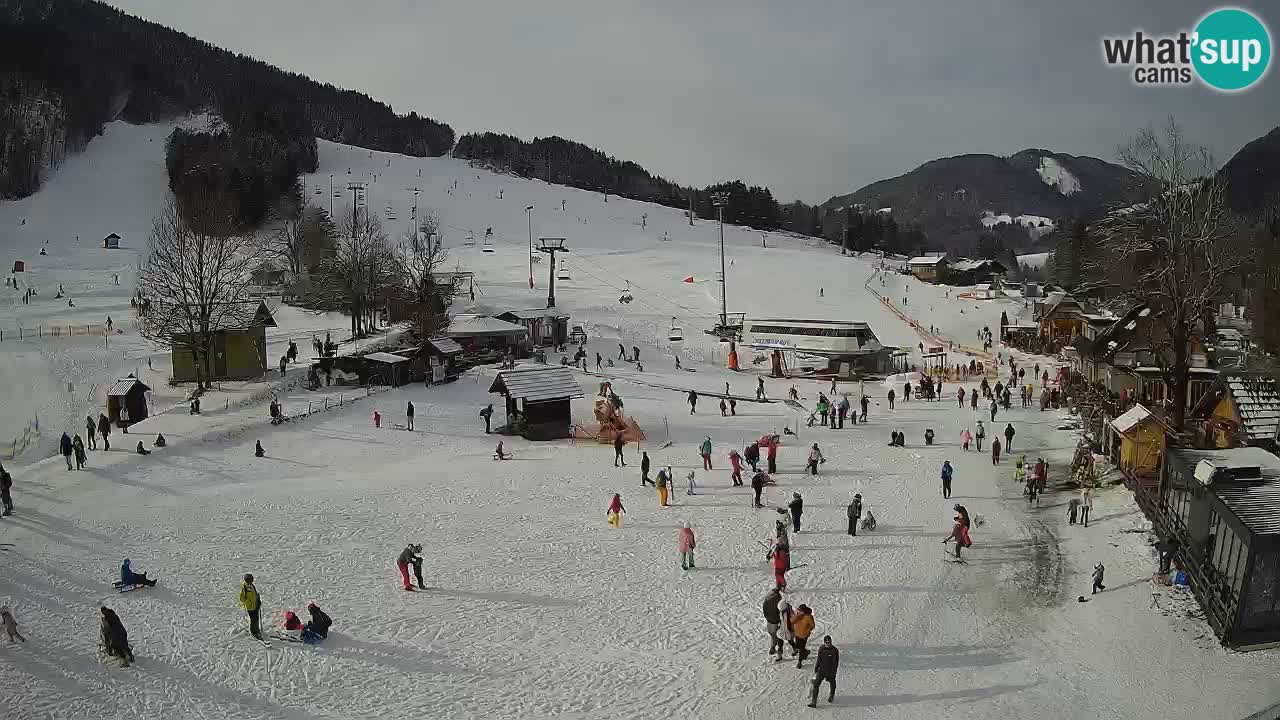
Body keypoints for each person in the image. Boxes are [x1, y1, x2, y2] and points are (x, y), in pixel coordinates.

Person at [808, 636, 839, 707]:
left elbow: (836, 661)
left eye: (829, 642)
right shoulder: (821, 649)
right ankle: (814, 702)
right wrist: (816, 668)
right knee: (816, 684)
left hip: (830, 671)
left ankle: (831, 696)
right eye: (826, 642)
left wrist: (835, 670)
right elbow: (819, 659)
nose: (828, 644)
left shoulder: (835, 650)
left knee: (832, 683)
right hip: (821, 670)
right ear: (824, 642)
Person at [763, 588, 784, 659]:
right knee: (779, 635)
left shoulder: (767, 599)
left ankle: (773, 647)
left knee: (772, 633)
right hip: (778, 620)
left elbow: (764, 609)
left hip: (770, 620)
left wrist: (767, 617)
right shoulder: (780, 599)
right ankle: (778, 649)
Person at [240, 574, 262, 639]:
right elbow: (241, 598)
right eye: (252, 579)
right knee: (253, 619)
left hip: (255, 605)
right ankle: (253, 632)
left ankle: (257, 629)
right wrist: (248, 601)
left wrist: (258, 599)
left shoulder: (252, 586)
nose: (253, 580)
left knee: (256, 618)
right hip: (250, 607)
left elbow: (254, 594)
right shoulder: (244, 587)